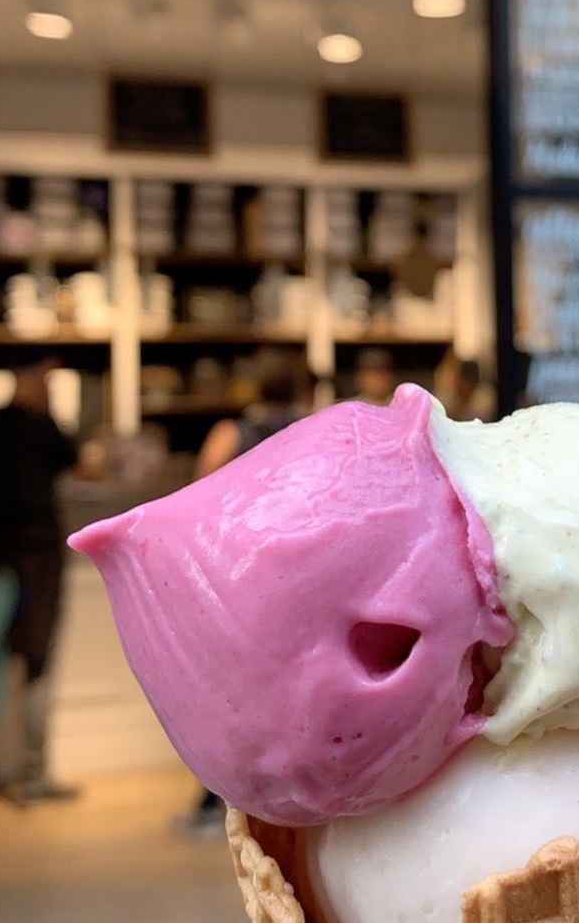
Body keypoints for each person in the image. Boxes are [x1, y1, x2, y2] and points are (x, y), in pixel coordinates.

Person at [172, 348, 313, 839]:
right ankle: (285, 803)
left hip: (239, 579)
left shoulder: (231, 433)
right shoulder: (309, 432)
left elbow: (198, 498)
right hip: (296, 580)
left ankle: (218, 801)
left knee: (230, 696)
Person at [0, 351, 79, 803]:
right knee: (33, 659)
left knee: (1, 659)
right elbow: (76, 460)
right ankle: (26, 770)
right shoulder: (39, 427)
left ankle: (3, 768)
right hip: (34, 561)